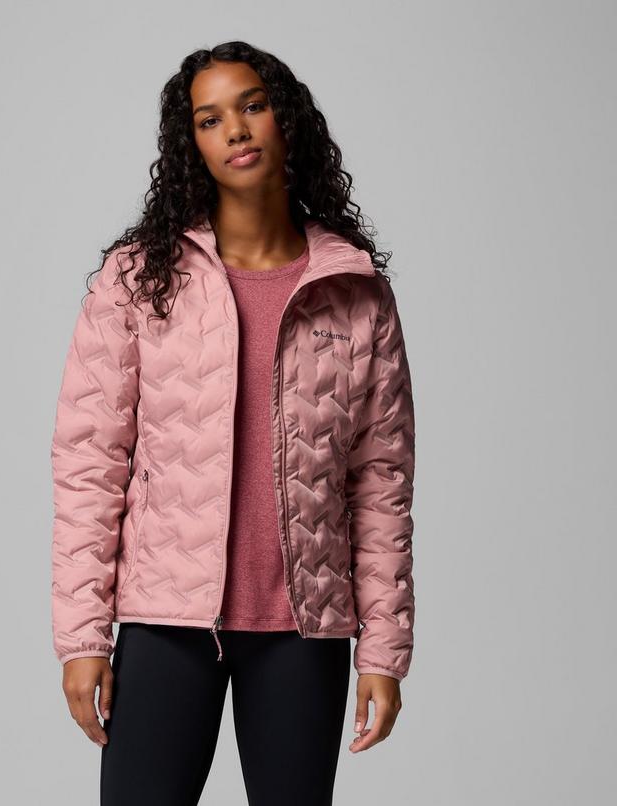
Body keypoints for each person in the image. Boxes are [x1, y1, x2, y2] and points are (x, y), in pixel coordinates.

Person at [50, 40, 416, 806]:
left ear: (287, 119)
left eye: (252, 106)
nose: (237, 130)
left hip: (303, 633)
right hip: (165, 623)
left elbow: (381, 484)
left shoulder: (352, 290)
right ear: (192, 144)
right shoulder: (138, 279)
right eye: (210, 119)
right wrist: (83, 636)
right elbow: (90, 465)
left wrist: (383, 649)